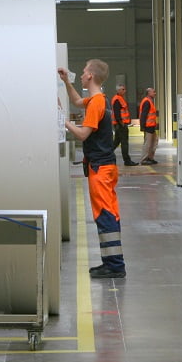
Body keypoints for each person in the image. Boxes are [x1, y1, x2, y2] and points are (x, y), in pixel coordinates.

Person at [58, 60, 126, 279]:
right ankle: (112, 262)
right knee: (109, 213)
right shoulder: (98, 100)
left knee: (105, 214)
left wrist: (62, 120)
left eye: (83, 71)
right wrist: (66, 82)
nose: (81, 74)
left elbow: (82, 134)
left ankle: (115, 266)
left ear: (90, 76)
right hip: (104, 166)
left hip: (100, 168)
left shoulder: (97, 103)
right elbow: (77, 101)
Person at [111, 84, 136, 166]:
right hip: (121, 125)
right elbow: (117, 113)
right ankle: (127, 160)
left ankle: (105, 154)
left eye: (124, 89)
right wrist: (122, 123)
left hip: (120, 125)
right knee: (124, 143)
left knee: (116, 142)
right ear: (118, 90)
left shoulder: (120, 99)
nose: (125, 91)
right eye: (123, 89)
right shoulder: (117, 100)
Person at [138, 87, 158, 165]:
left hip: (151, 126)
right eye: (153, 92)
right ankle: (144, 159)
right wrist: (143, 126)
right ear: (149, 93)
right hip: (148, 126)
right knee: (148, 144)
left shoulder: (150, 101)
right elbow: (143, 115)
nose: (155, 93)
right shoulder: (146, 102)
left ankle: (150, 158)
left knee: (154, 142)